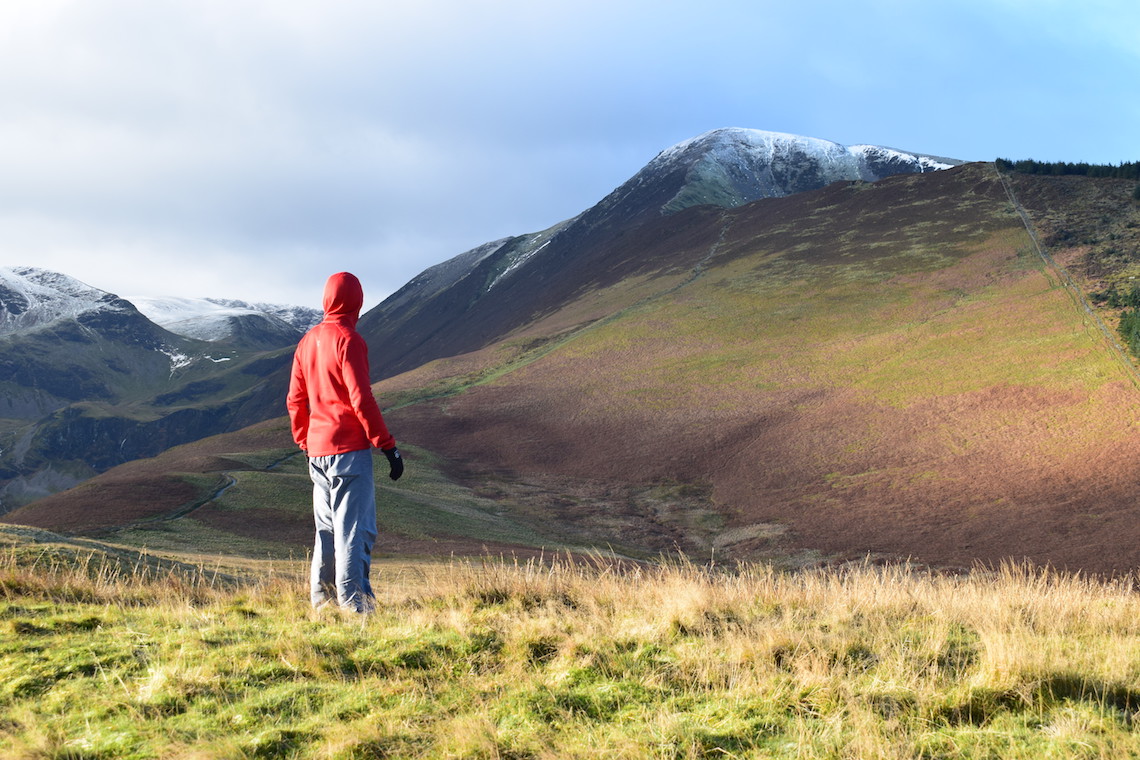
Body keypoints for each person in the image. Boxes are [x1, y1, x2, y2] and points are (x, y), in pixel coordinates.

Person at [286, 271, 404, 613]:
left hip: (317, 451)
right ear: (357, 301)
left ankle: (323, 605)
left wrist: (303, 439)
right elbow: (360, 398)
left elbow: (295, 399)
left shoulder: (308, 341)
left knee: (326, 531)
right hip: (348, 451)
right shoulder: (349, 340)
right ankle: (356, 608)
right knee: (354, 531)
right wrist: (387, 445)